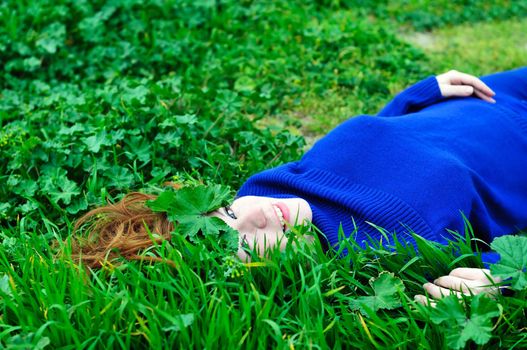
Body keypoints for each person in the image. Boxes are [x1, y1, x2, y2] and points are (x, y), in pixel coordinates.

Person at [73, 67, 527, 302]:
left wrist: (416, 96)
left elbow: (371, 145)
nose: (254, 215)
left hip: (488, 94)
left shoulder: (274, 186)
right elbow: (503, 262)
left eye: (227, 213)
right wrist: (502, 277)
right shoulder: (387, 252)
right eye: (245, 244)